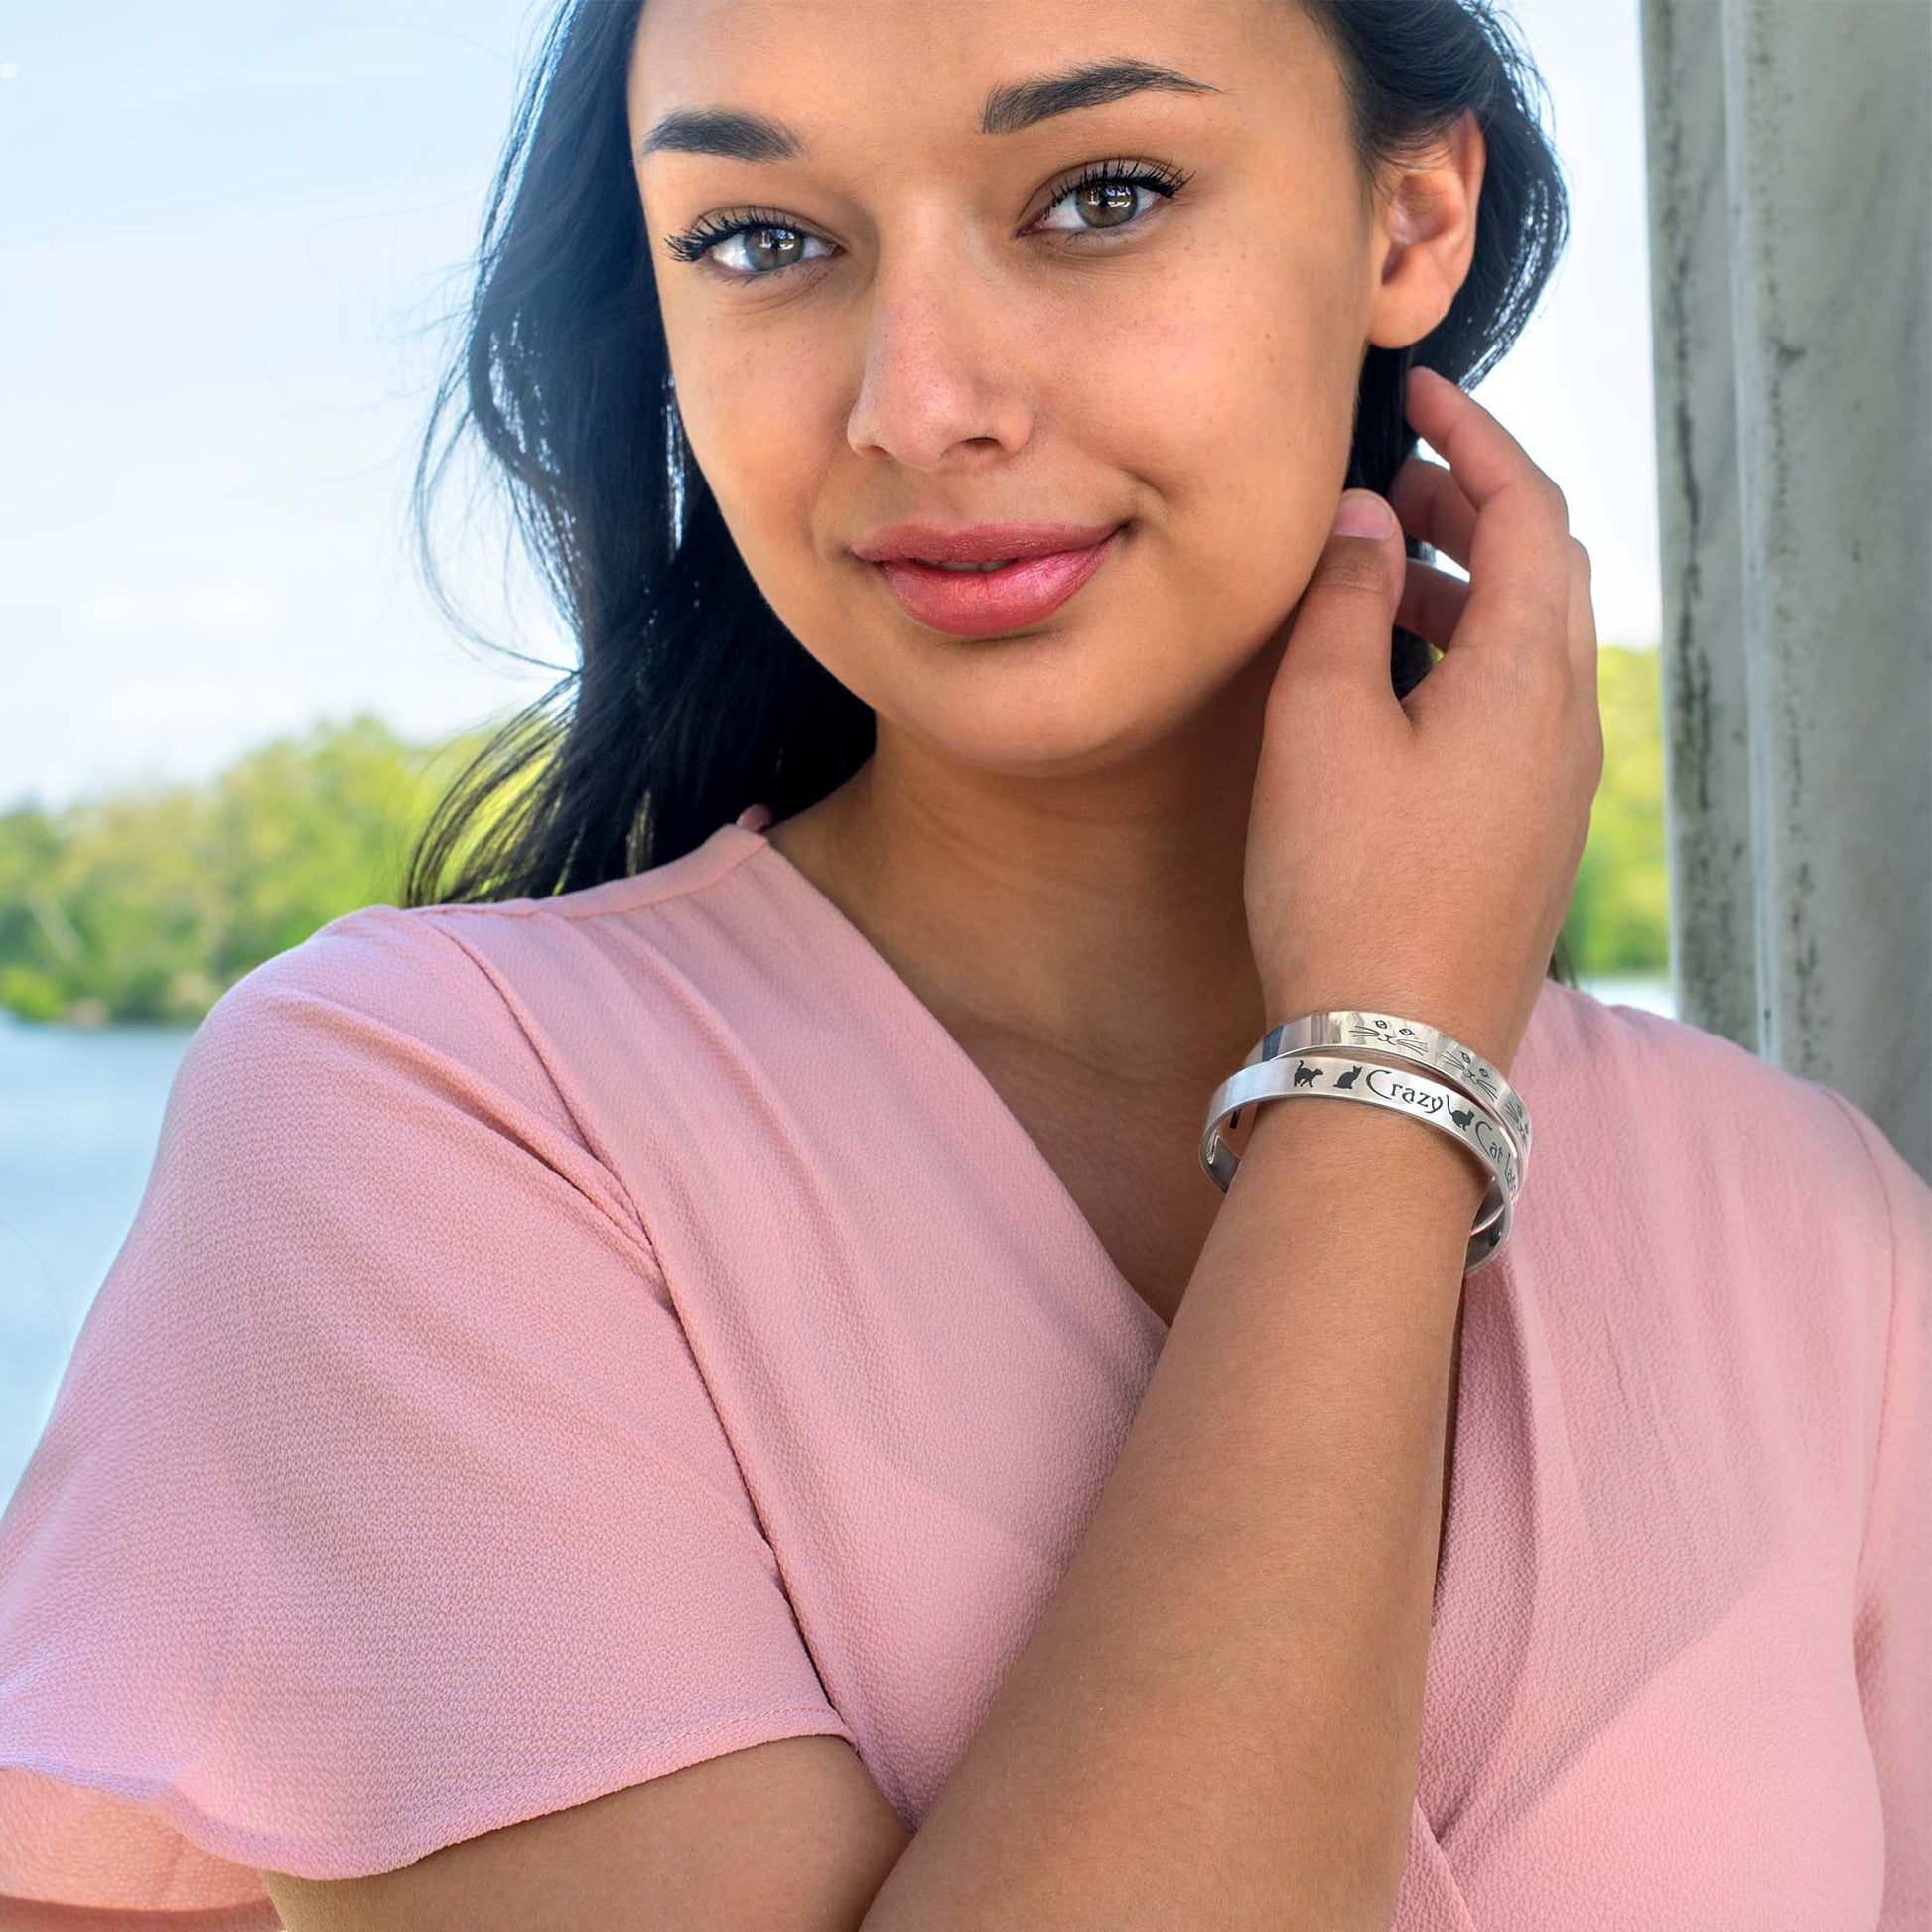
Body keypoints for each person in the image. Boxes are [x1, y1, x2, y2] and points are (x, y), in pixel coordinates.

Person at [0, 0, 1923, 1926]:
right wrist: (1379, 1082)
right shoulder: (420, 1124)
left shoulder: (1811, 1231)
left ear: (1409, 216)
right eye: (762, 240)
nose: (918, 404)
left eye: (1099, 192)